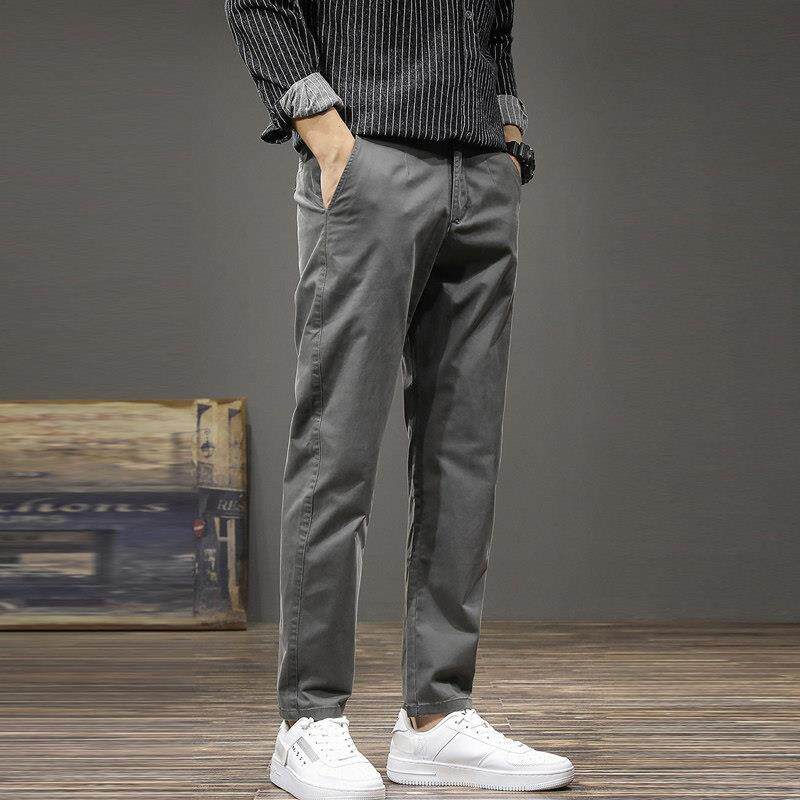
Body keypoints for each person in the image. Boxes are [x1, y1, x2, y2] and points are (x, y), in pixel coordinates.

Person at [225, 1, 573, 797]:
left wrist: (508, 131)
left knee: (464, 453)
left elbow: (492, 20)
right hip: (370, 153)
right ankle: (309, 720)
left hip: (481, 167)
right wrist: (322, 127)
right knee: (336, 446)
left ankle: (437, 719)